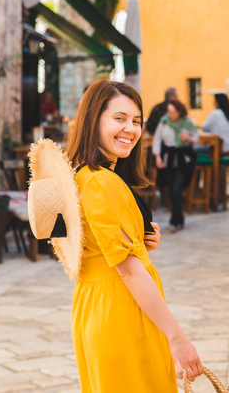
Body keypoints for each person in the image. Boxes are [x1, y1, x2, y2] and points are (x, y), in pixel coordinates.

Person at [65, 80, 203, 392]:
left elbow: (99, 247)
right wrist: (177, 339)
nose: (130, 128)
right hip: (120, 310)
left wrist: (139, 243)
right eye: (119, 118)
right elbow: (128, 270)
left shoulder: (87, 174)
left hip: (98, 304)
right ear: (93, 120)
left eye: (136, 121)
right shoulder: (102, 182)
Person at [152, 99, 199, 232]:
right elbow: (157, 139)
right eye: (169, 112)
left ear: (179, 111)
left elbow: (196, 137)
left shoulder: (186, 122)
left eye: (174, 112)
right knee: (172, 189)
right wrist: (157, 156)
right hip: (169, 158)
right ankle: (179, 219)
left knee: (177, 189)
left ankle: (175, 220)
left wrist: (187, 138)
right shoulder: (164, 121)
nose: (171, 114)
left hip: (183, 158)